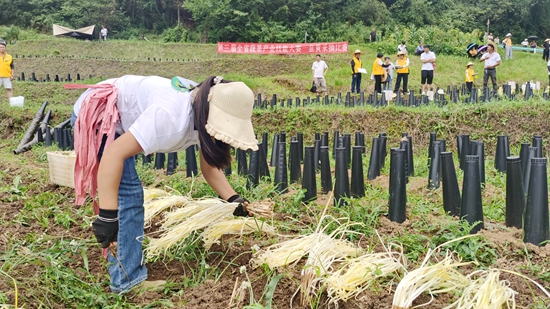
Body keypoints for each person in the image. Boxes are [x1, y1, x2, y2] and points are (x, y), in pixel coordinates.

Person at [69, 75, 258, 293]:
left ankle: (125, 271)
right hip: (97, 113)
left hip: (117, 117)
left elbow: (209, 168)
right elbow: (113, 155)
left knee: (127, 194)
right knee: (129, 196)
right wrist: (108, 215)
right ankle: (126, 282)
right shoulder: (170, 118)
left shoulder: (204, 109)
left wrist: (234, 200)